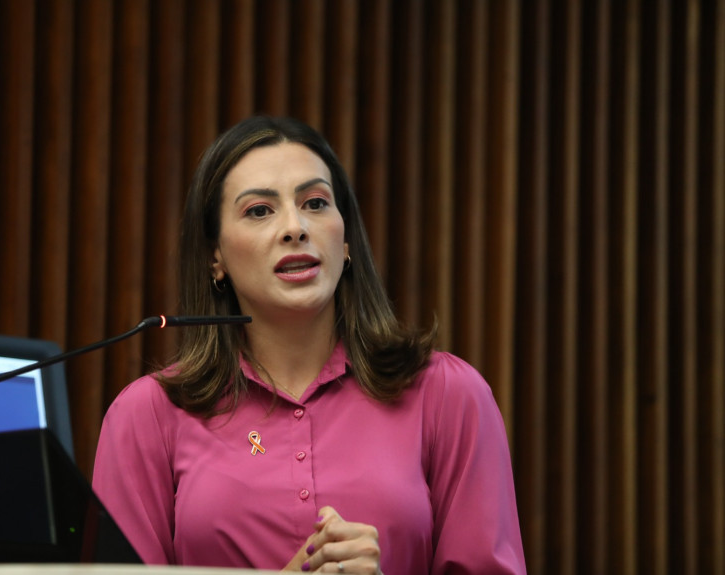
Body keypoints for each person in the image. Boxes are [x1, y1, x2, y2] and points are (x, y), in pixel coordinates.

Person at [93, 116, 526, 573]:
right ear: (214, 256)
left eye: (316, 203)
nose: (295, 227)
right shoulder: (147, 416)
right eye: (259, 210)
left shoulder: (449, 395)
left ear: (346, 242)